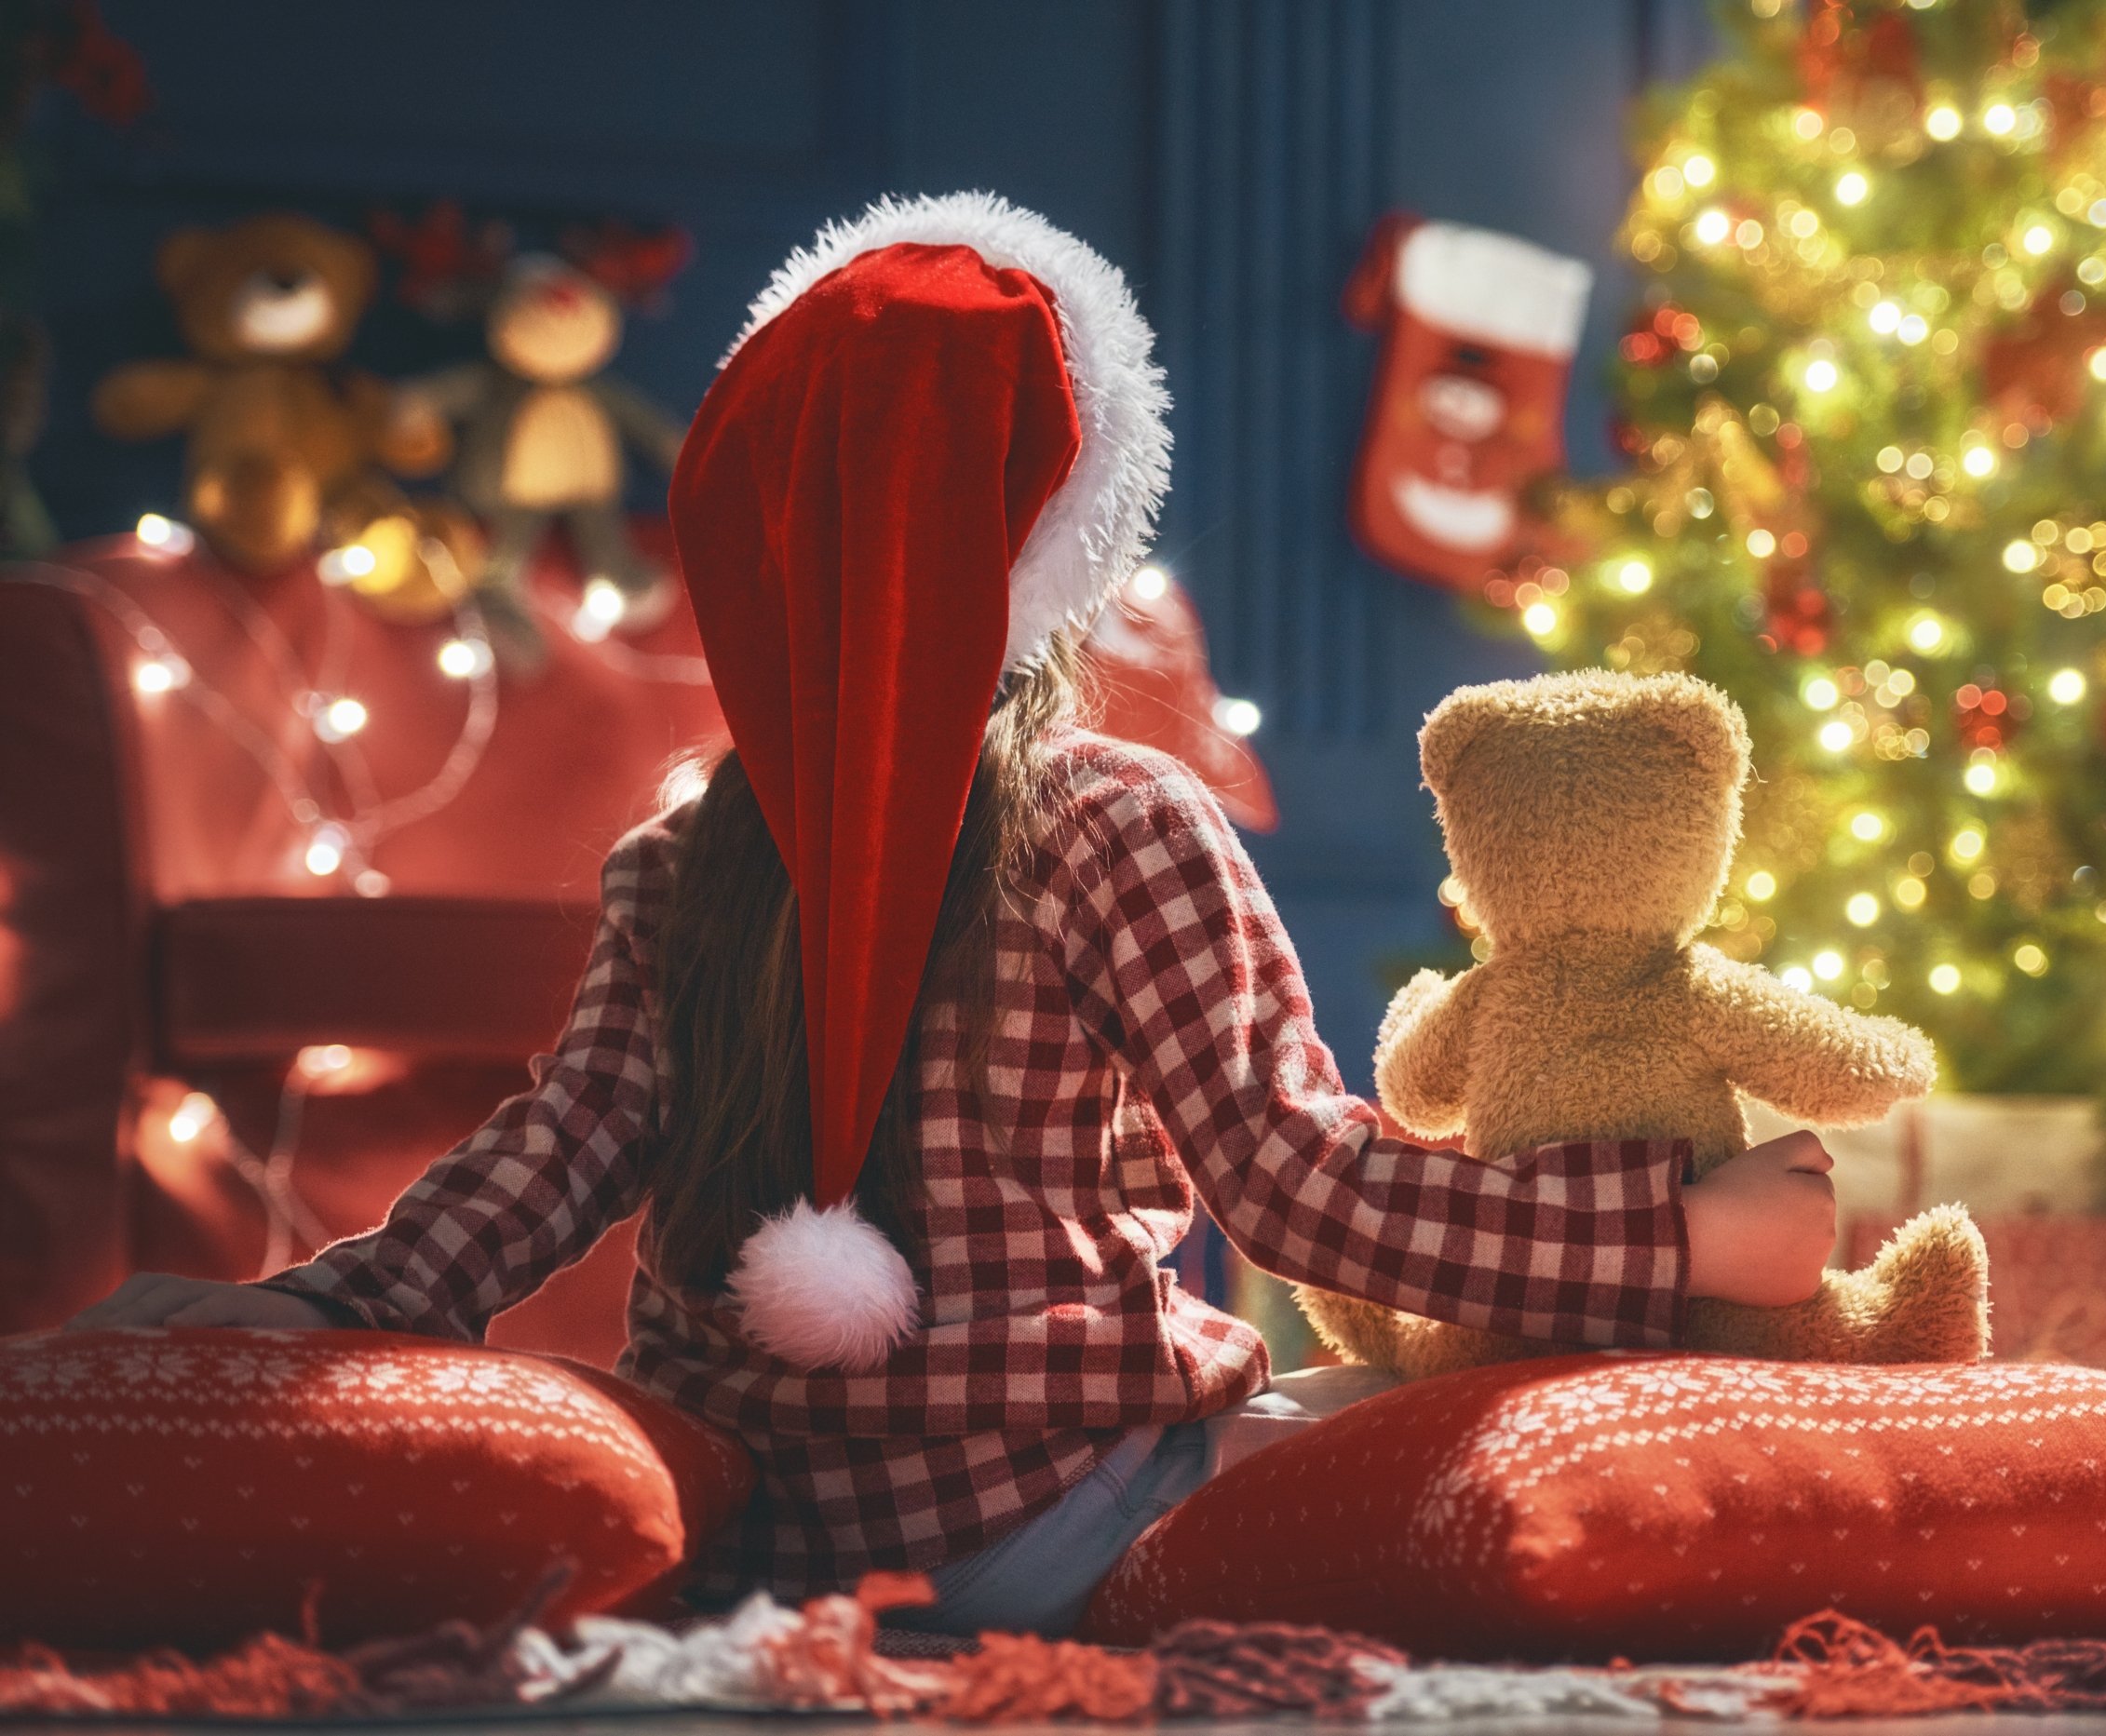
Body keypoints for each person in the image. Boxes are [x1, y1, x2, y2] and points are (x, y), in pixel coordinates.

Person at [69, 194, 1839, 1635]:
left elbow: (550, 1160)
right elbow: (1303, 1186)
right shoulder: (1115, 824)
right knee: (1433, 1427)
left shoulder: (683, 851)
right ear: (1060, 537)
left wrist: (319, 1313)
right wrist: (1683, 1233)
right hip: (1049, 1525)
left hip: (748, 1535)